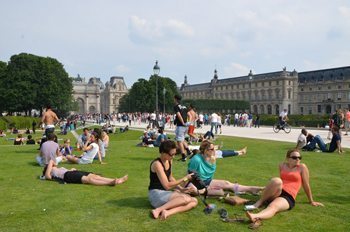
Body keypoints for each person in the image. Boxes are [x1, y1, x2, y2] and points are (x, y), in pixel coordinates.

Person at [245, 149, 324, 229]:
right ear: (288, 158)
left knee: (273, 206)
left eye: (299, 157)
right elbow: (281, 181)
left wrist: (311, 201)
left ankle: (254, 216)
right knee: (277, 180)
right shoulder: (282, 165)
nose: (297, 159)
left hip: (288, 196)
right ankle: (259, 202)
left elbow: (306, 184)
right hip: (278, 191)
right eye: (294, 157)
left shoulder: (302, 167)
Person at [188, 140, 263, 196]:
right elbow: (190, 175)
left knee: (226, 183)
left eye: (214, 148)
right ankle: (207, 191)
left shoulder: (213, 155)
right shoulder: (196, 159)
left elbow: (225, 153)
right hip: (196, 183)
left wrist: (239, 152)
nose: (214, 150)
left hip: (207, 181)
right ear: (205, 150)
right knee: (219, 192)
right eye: (212, 149)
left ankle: (251, 189)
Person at [148, 140, 197, 220]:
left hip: (165, 193)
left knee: (194, 201)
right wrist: (185, 178)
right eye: (172, 154)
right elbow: (167, 185)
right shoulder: (157, 164)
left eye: (175, 153)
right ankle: (158, 210)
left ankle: (167, 212)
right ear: (163, 153)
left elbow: (170, 178)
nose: (173, 156)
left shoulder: (169, 160)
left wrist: (181, 189)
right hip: (155, 194)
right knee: (186, 199)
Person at [43, 159, 128, 186]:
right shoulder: (50, 172)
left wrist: (71, 169)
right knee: (88, 179)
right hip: (67, 176)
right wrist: (50, 162)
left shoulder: (57, 168)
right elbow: (47, 176)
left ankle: (116, 180)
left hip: (71, 173)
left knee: (94, 176)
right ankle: (110, 183)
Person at [173, 95, 190, 161]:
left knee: (179, 141)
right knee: (182, 139)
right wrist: (188, 122)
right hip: (186, 126)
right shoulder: (184, 106)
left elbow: (179, 115)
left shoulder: (176, 106)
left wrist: (182, 122)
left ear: (175, 99)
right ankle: (188, 151)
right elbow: (189, 115)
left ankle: (183, 156)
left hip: (180, 125)